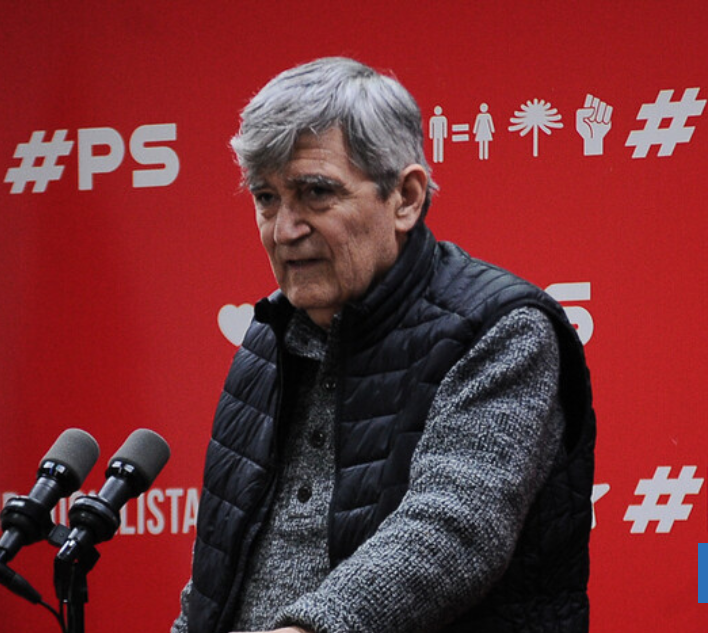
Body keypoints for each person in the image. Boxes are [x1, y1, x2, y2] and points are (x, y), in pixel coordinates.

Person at [171, 57, 596, 633]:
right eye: (266, 197)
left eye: (315, 193)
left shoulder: (500, 329)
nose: (284, 229)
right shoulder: (266, 340)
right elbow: (216, 576)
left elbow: (451, 530)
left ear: (406, 198)